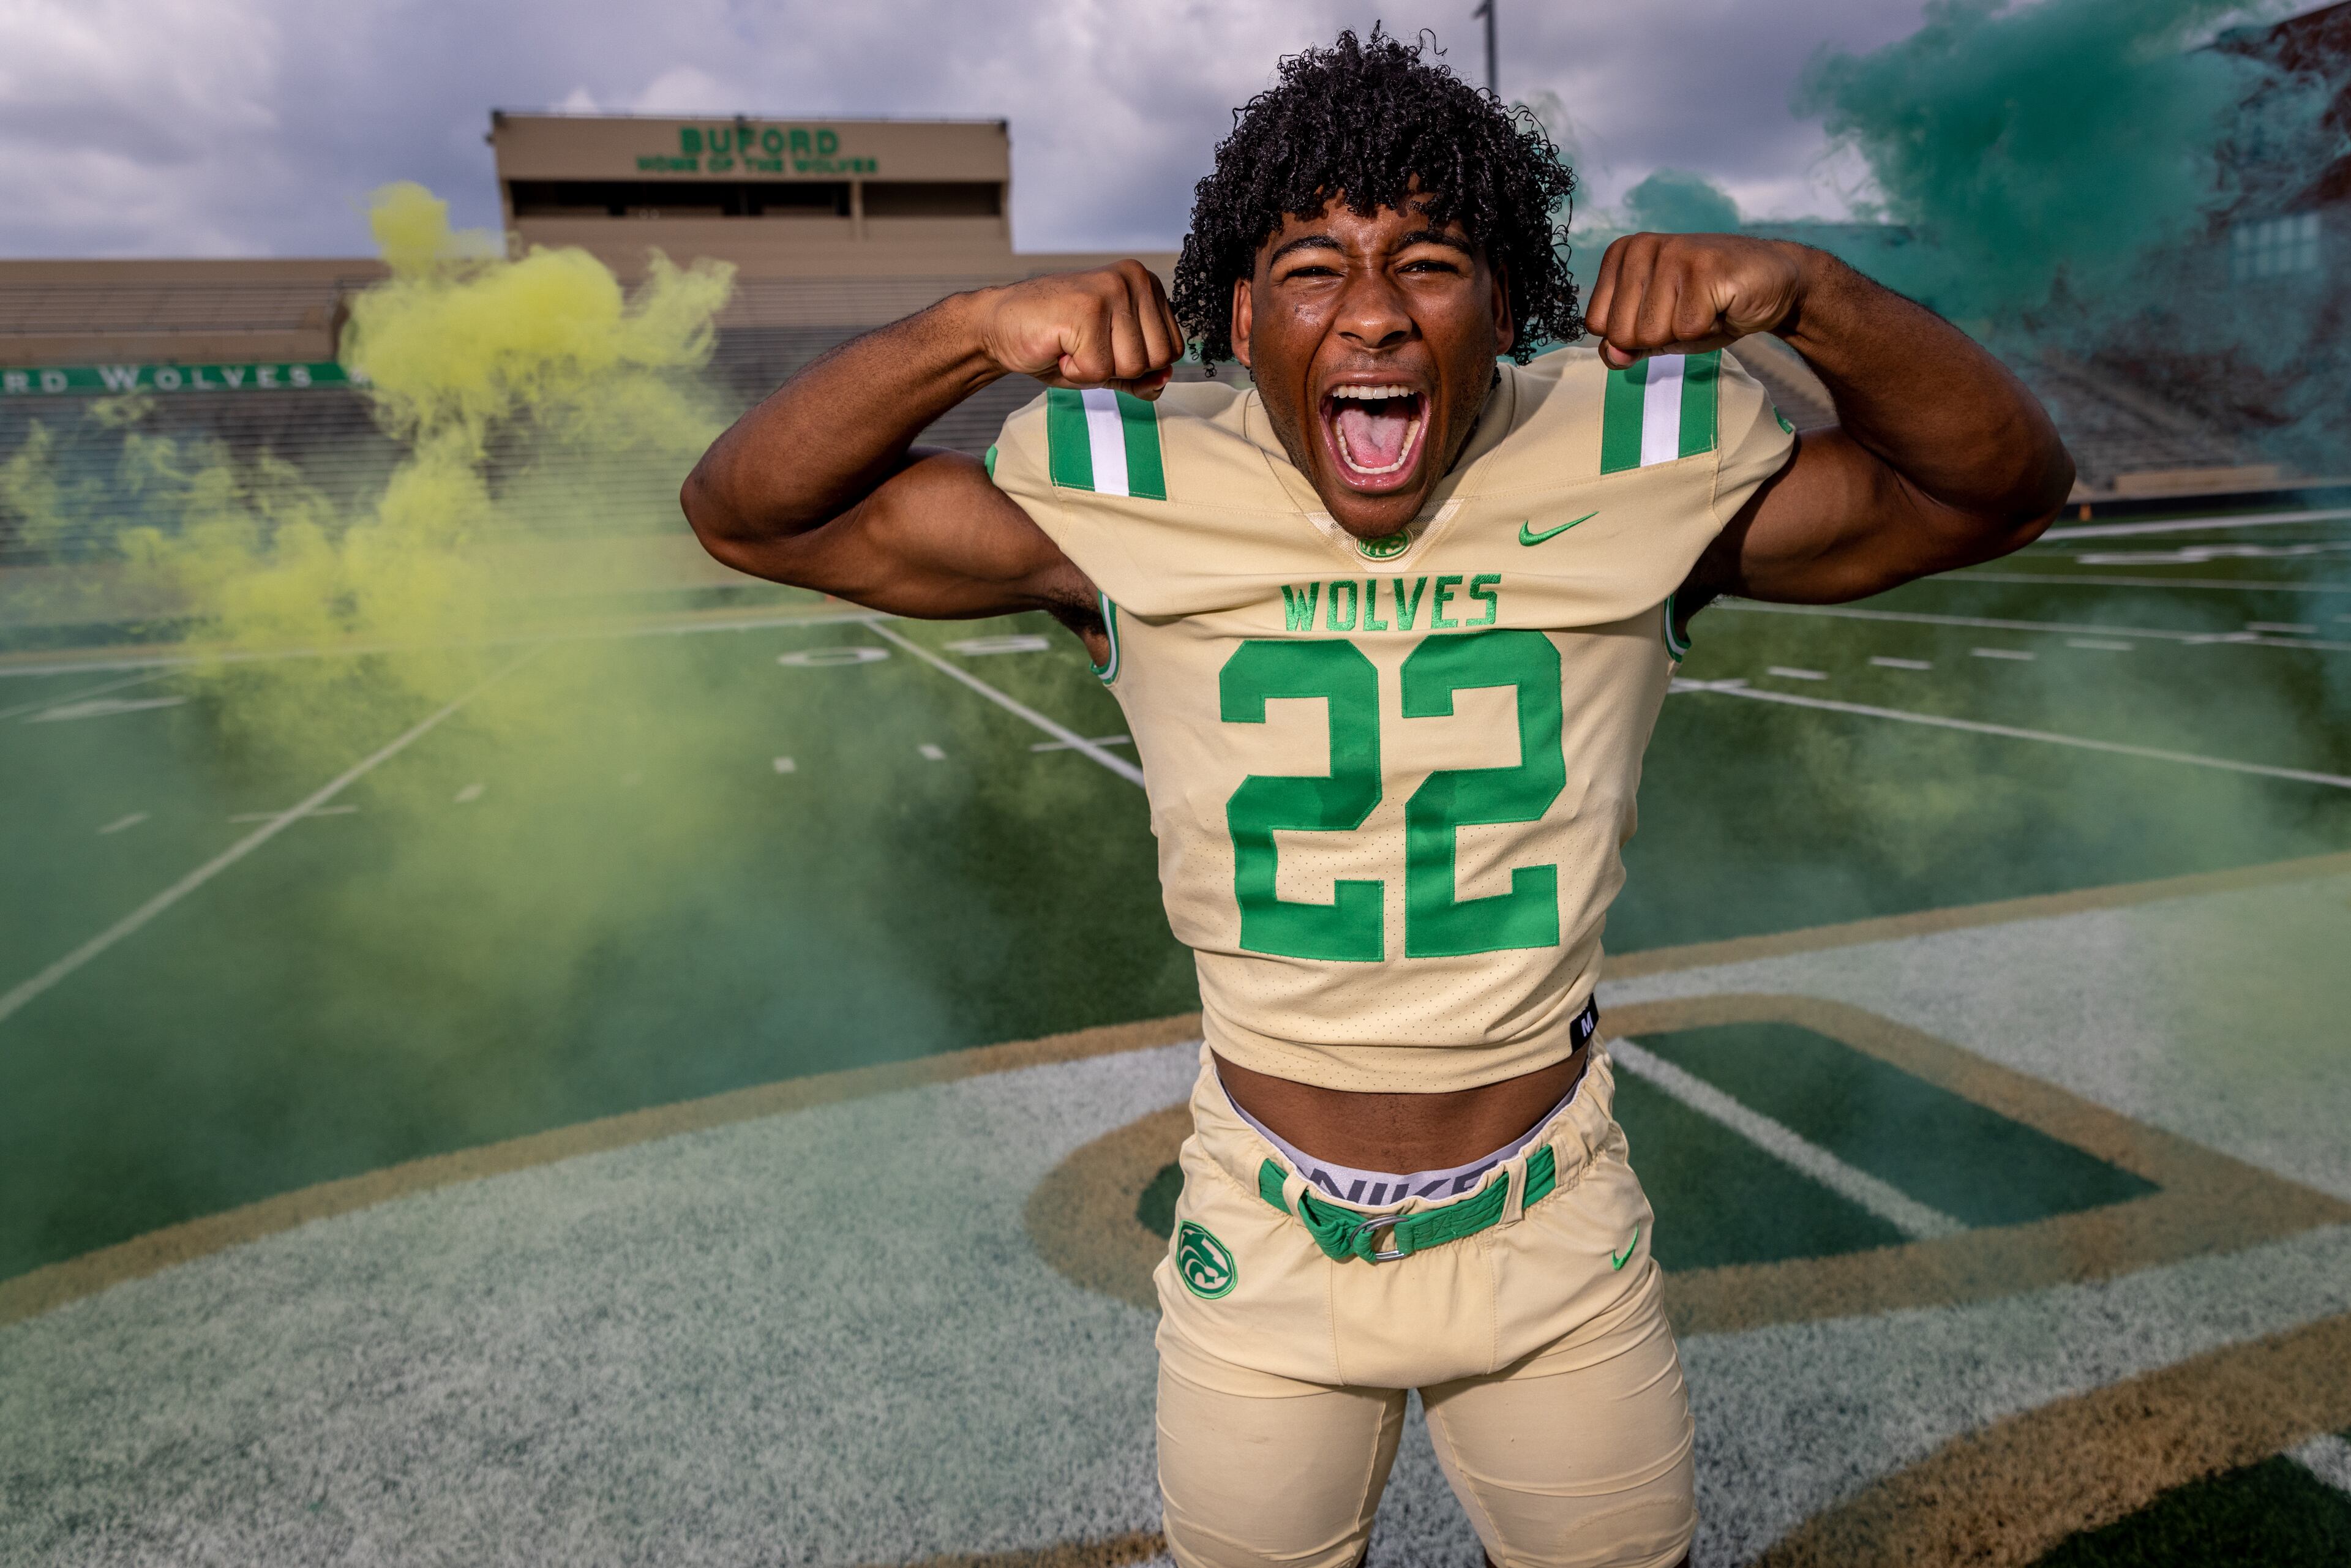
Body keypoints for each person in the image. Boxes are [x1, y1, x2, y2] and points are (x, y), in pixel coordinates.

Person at [680, 28, 2071, 1568]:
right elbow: (746, 514)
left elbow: (1996, 491)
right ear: (1237, 315)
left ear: (1505, 303)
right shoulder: (1126, 490)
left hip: (1552, 1213)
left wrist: (1816, 292)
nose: (1372, 313)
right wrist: (965, 327)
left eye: (1428, 261)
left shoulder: (1636, 462)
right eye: (1310, 268)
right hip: (1263, 1226)